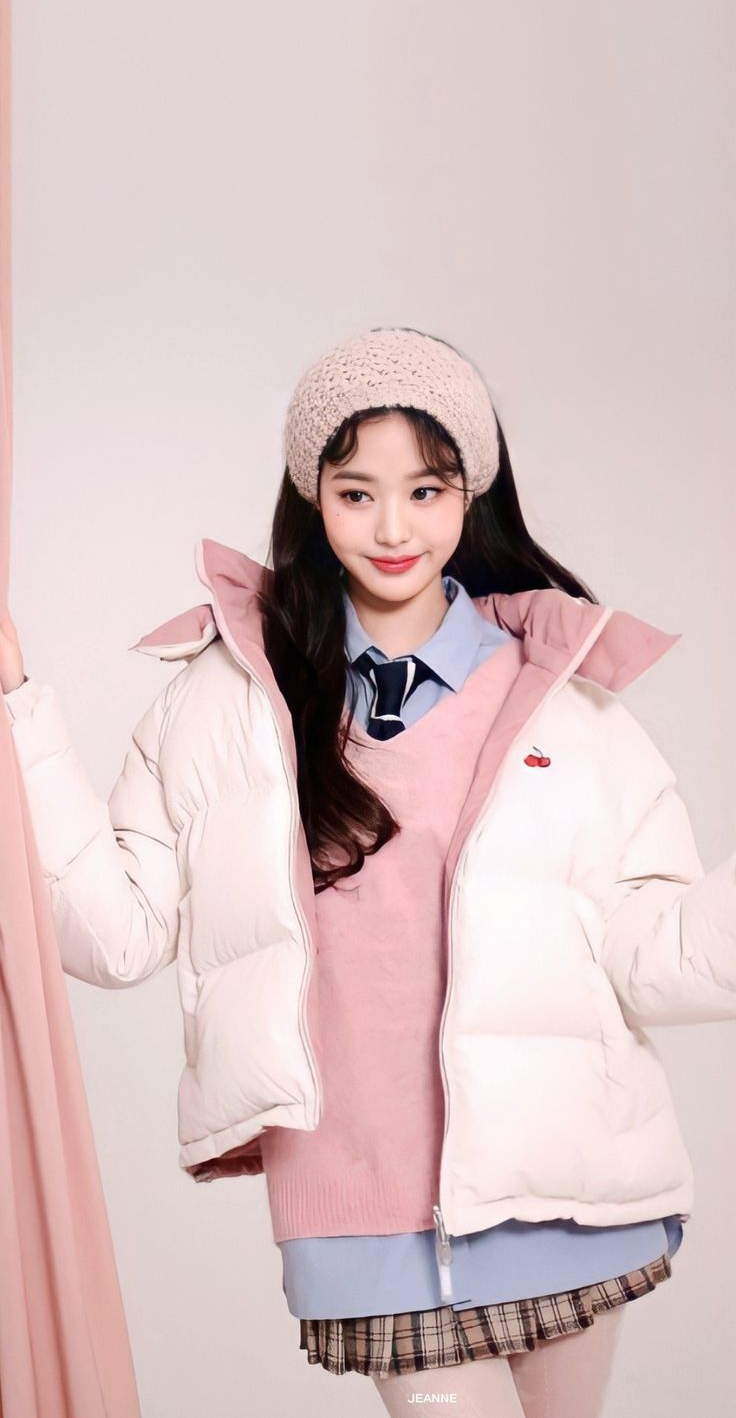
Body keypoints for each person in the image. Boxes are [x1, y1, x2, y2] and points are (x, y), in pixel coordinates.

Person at [2, 325, 735, 1417]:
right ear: (313, 497)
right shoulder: (223, 701)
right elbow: (110, 931)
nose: (393, 528)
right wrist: (17, 706)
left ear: (468, 494)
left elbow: (655, 954)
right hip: (360, 1205)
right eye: (356, 493)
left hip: (564, 1188)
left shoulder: (567, 701)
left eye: (426, 489)